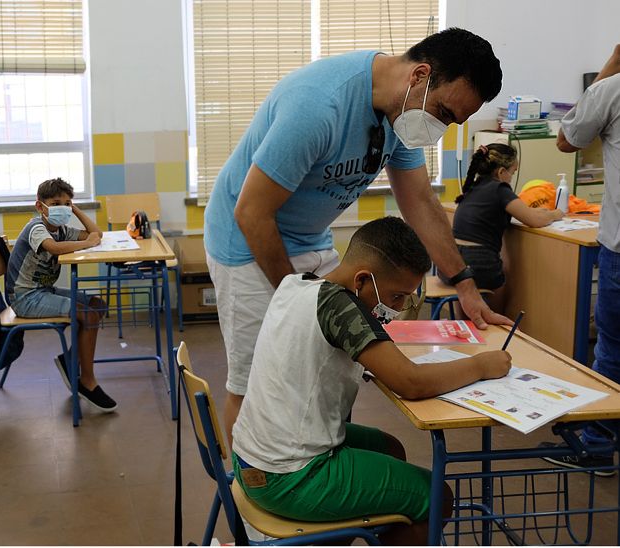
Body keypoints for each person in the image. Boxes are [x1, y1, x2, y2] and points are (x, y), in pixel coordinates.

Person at [203, 27, 511, 444]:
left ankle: (322, 459)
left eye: (453, 121)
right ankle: (250, 488)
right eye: (442, 112)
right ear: (420, 75)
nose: (441, 126)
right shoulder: (320, 104)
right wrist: (295, 297)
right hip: (246, 244)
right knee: (256, 379)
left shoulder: (401, 114)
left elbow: (420, 203)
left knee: (333, 362)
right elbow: (252, 212)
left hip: (311, 240)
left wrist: (465, 286)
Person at [231, 216, 512, 545]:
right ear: (362, 280)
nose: (397, 308)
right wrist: (480, 365)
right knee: (436, 496)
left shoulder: (297, 285)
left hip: (251, 457)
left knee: (390, 449)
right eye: (396, 297)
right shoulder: (340, 307)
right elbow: (411, 382)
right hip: (290, 475)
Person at [540, 45, 620, 474]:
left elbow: (567, 139)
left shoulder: (613, 88)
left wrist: (610, 66)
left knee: (612, 351)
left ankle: (596, 447)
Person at [5, 177, 115, 412]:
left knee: (97, 305)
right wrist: (87, 244)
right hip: (25, 298)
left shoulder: (62, 229)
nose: (62, 208)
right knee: (89, 315)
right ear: (40, 206)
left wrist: (74, 209)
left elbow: (96, 234)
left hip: (43, 291)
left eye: (67, 203)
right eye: (56, 203)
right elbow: (54, 248)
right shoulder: (36, 227)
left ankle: (69, 360)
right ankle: (87, 381)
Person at [442, 143, 564, 314]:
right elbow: (533, 220)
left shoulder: (474, 187)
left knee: (465, 283)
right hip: (478, 263)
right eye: (512, 173)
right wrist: (555, 214)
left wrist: (536, 212)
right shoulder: (499, 189)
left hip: (449, 263)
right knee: (502, 280)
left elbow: (524, 211)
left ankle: (463, 323)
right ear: (501, 172)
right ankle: (497, 325)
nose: (512, 178)